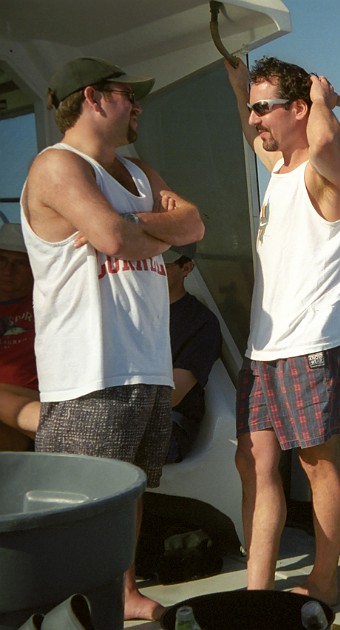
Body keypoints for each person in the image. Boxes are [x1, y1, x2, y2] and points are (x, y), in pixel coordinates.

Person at [20, 56, 204, 621]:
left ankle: (121, 596)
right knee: (81, 506)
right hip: (90, 374)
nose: (138, 104)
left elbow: (194, 224)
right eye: (129, 95)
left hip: (145, 366)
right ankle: (61, 611)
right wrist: (146, 230)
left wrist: (136, 226)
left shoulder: (140, 172)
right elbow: (113, 238)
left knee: (128, 497)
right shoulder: (57, 167)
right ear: (95, 98)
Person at [225, 55, 340, 606]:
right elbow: (256, 133)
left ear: (299, 109)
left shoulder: (325, 172)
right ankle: (257, 590)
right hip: (265, 348)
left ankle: (325, 581)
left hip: (312, 345)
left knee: (316, 464)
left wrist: (325, 101)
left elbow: (329, 144)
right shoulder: (280, 167)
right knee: (252, 460)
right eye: (255, 109)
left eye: (265, 109)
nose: (256, 120)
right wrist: (241, 87)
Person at [163, 242, 222, 463]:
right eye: (148, 261)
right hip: (121, 413)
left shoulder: (201, 322)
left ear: (186, 268)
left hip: (171, 424)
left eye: (163, 263)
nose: (153, 269)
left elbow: (171, 397)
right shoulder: (129, 312)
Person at [0, 222, 40, 451]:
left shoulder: (49, 307)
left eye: (19, 264)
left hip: (28, 406)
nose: (7, 271)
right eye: (2, 261)